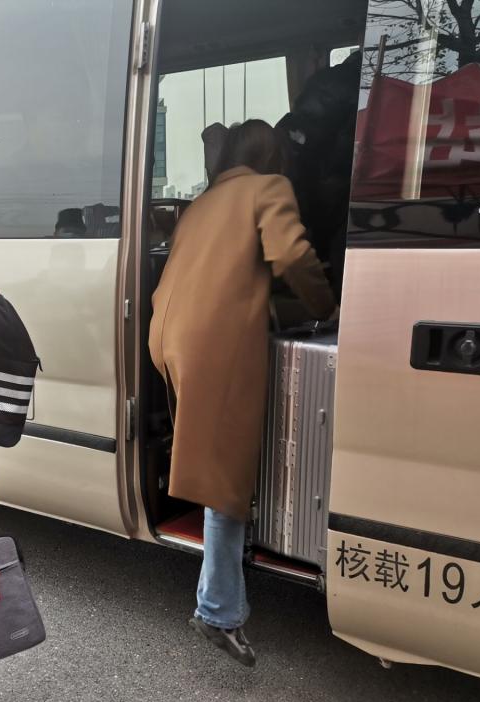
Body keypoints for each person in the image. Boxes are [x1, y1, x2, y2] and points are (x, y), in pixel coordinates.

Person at [148, 119, 336, 667]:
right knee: (224, 474)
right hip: (213, 343)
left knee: (214, 461)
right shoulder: (267, 187)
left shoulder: (205, 200)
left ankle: (218, 599)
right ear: (273, 156)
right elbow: (292, 256)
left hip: (169, 333)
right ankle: (217, 610)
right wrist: (330, 307)